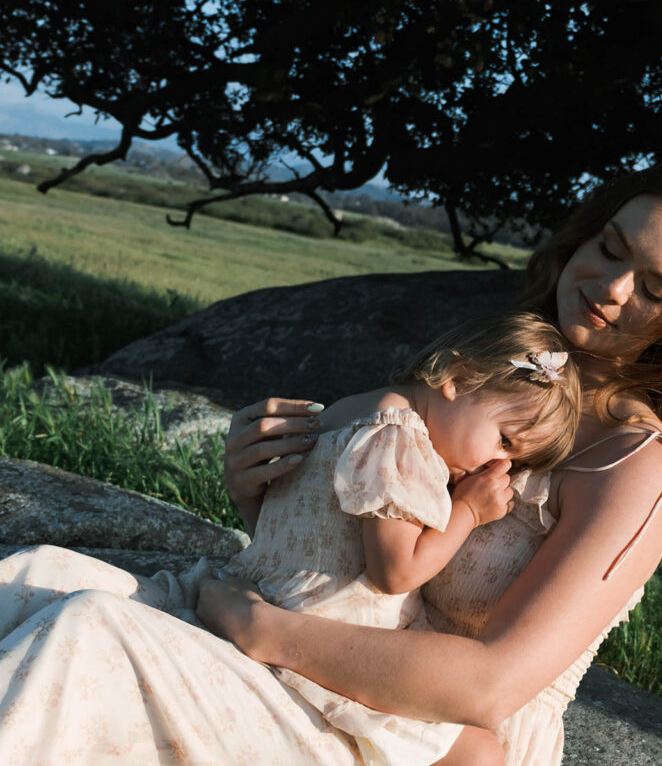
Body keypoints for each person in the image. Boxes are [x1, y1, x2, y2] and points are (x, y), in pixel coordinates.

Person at [0, 160, 662, 765]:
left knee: (91, 634)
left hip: (415, 733)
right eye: (610, 248)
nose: (612, 287)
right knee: (29, 577)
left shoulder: (633, 464)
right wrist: (261, 492)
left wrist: (268, 634)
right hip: (318, 654)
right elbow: (364, 542)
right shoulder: (508, 365)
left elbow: (490, 685)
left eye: (655, 289)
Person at [0, 312, 580, 766]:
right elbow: (393, 571)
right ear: (453, 380)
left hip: (257, 589)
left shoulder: (345, 412)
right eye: (505, 440)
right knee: (475, 751)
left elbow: (301, 528)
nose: (499, 466)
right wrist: (468, 514)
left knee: (35, 572)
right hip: (325, 635)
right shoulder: (403, 441)